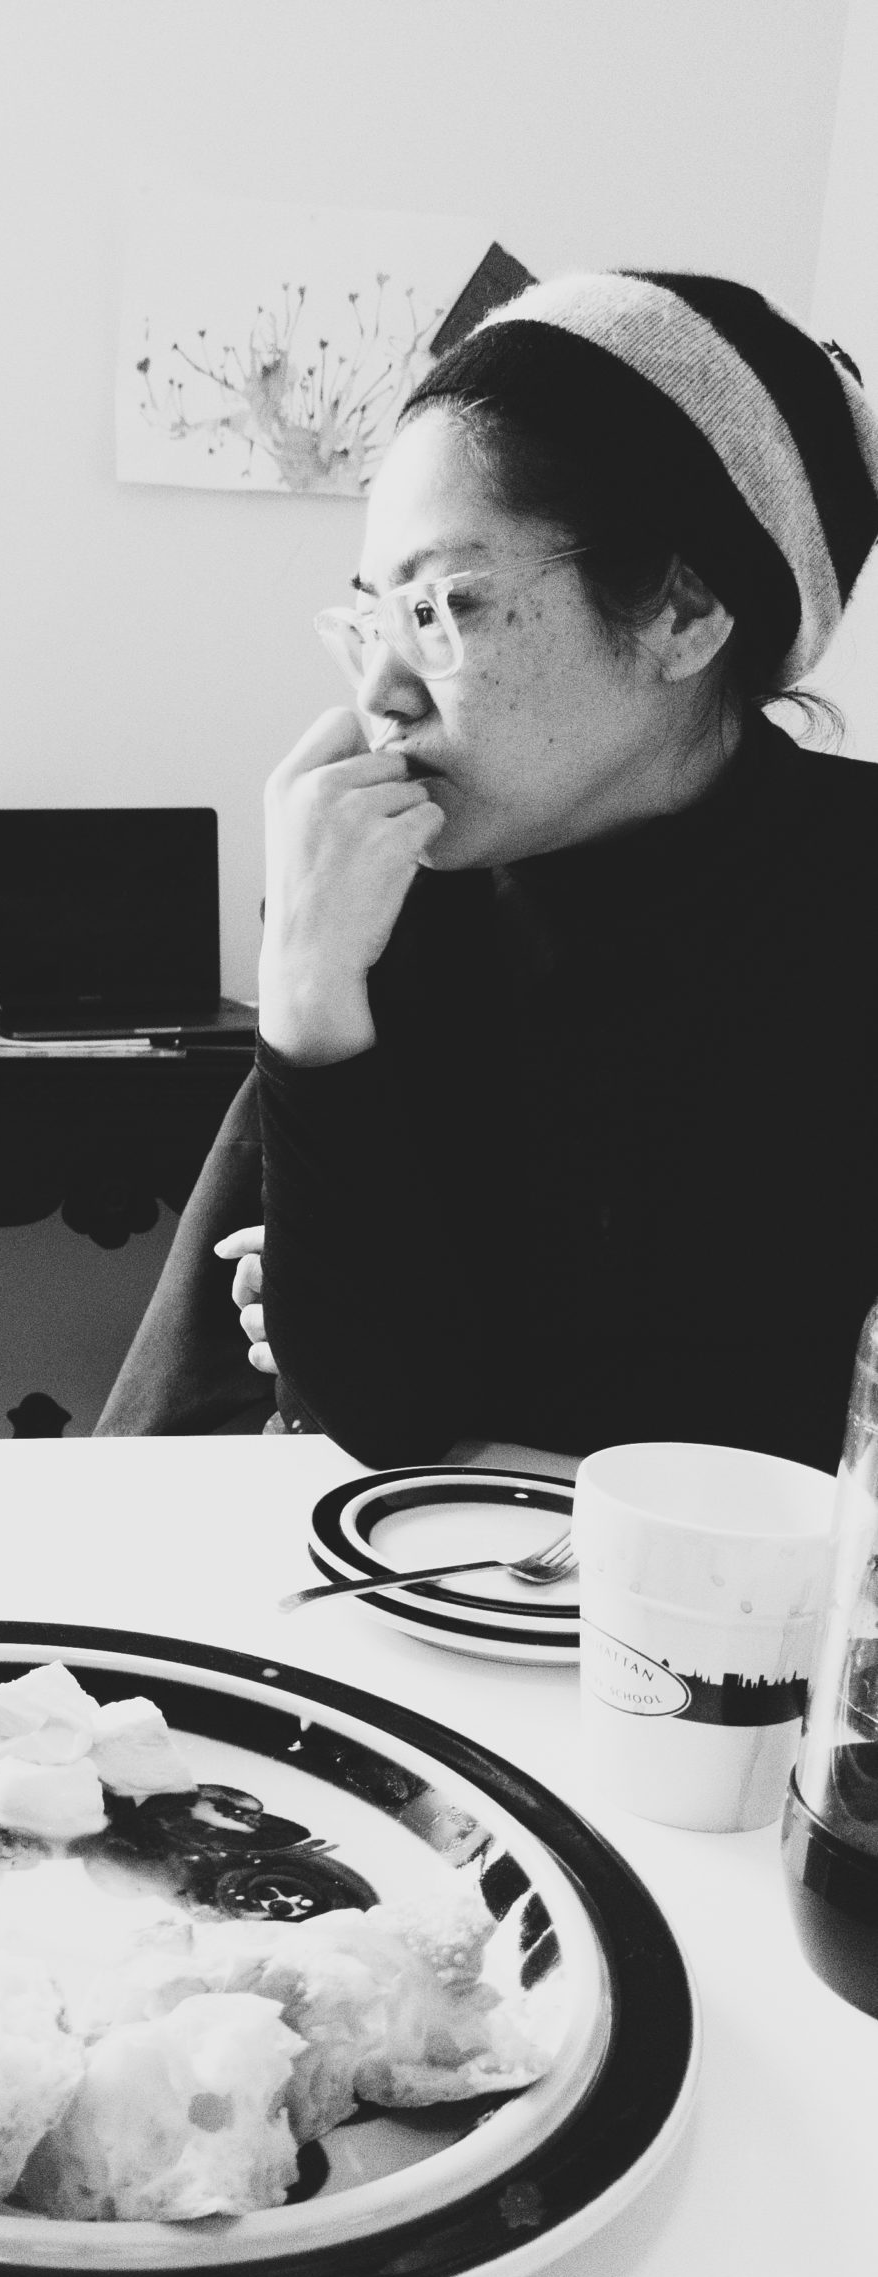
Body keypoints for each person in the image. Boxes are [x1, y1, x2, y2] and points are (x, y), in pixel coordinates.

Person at [99, 271, 878, 1473]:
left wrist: (390, 1307)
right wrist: (304, 981)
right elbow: (374, 1407)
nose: (381, 694)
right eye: (373, 618)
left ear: (685, 610)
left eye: (443, 608)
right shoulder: (400, 893)